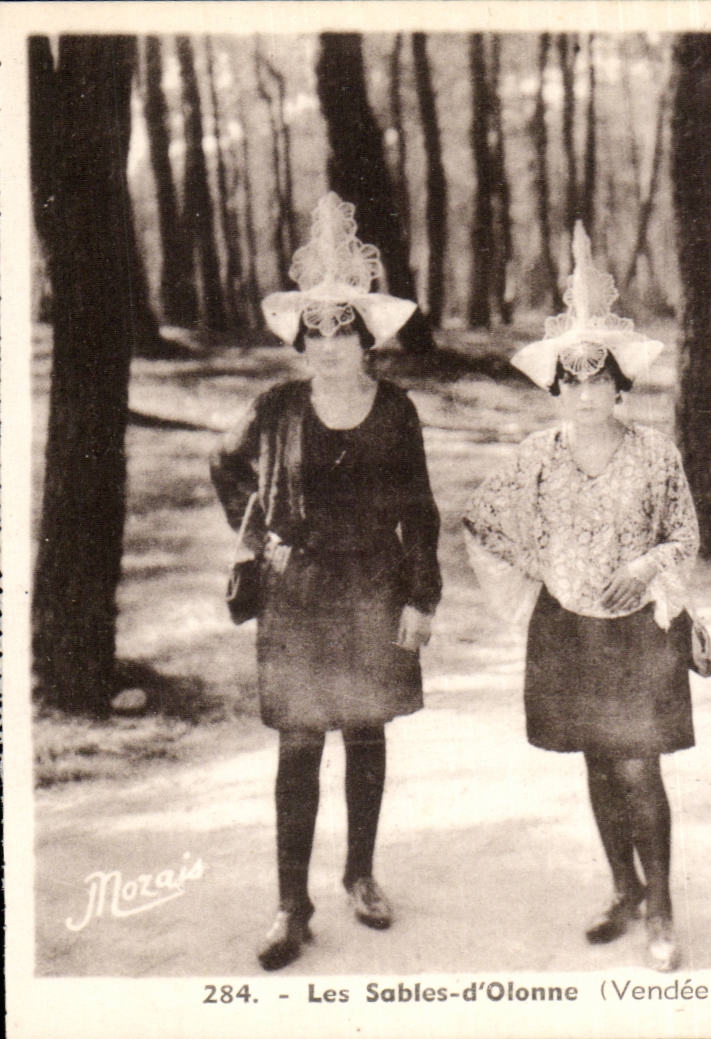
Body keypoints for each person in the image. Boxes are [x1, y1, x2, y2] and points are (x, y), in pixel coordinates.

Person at [211, 193, 440, 971]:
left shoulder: (397, 411)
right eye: (318, 328)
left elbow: (421, 510)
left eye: (345, 327)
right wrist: (256, 532)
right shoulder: (275, 407)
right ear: (301, 337)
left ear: (367, 337)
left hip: (375, 588)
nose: (331, 342)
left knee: (366, 732)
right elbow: (223, 461)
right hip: (299, 592)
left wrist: (420, 597)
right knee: (300, 745)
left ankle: (361, 873)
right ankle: (289, 904)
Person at [463, 224, 698, 973]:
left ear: (620, 384)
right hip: (569, 631)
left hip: (638, 632)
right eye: (572, 379)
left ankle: (661, 907)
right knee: (597, 762)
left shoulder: (656, 453)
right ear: (556, 386)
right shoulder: (534, 458)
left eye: (600, 379)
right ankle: (622, 888)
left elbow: (685, 534)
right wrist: (542, 580)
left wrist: (648, 566)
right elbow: (484, 523)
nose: (586, 392)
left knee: (639, 767)